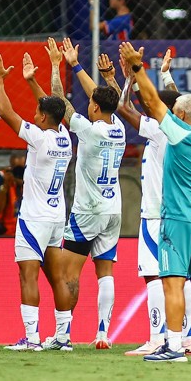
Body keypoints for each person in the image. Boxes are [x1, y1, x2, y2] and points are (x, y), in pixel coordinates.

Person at [119, 41, 191, 363]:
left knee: (173, 285)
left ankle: (175, 347)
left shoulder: (178, 133)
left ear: (179, 116)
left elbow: (151, 102)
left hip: (176, 220)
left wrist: (138, 68)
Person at [41, 38, 127, 351]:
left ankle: (62, 336)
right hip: (113, 208)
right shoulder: (118, 125)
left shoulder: (89, 129)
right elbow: (107, 98)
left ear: (93, 108)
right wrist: (76, 65)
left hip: (88, 210)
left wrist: (56, 64)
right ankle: (103, 334)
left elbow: (57, 101)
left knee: (68, 273)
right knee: (105, 272)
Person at [114, 51, 191, 356]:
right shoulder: (182, 129)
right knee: (182, 277)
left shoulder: (158, 132)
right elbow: (171, 101)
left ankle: (157, 338)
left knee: (154, 277)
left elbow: (123, 107)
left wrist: (129, 78)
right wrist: (164, 76)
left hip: (155, 215)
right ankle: (188, 338)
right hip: (178, 214)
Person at [0, 51, 71, 351]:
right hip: (55, 217)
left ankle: (32, 338)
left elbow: (5, 111)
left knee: (28, 274)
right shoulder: (65, 137)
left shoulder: (39, 138)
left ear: (42, 118)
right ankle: (63, 337)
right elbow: (55, 108)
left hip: (34, 217)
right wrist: (32, 81)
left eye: (37, 112)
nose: (34, 114)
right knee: (58, 277)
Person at [0, 152, 27, 236]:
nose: (18, 173)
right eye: (16, 169)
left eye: (22, 170)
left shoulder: (33, 179)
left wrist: (25, 183)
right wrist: (5, 186)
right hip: (7, 233)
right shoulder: (5, 177)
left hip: (27, 232)